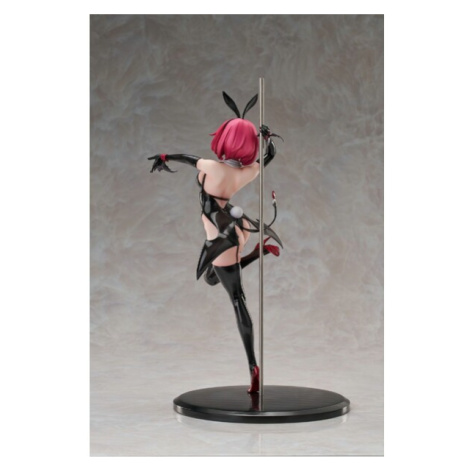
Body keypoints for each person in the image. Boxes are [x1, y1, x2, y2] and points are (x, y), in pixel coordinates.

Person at [148, 92, 282, 393]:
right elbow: (268, 158)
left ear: (226, 138)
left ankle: (253, 366)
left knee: (237, 299)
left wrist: (165, 157)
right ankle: (257, 252)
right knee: (211, 277)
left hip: (221, 233)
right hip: (236, 227)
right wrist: (267, 138)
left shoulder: (211, 166)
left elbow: (187, 158)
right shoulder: (247, 173)